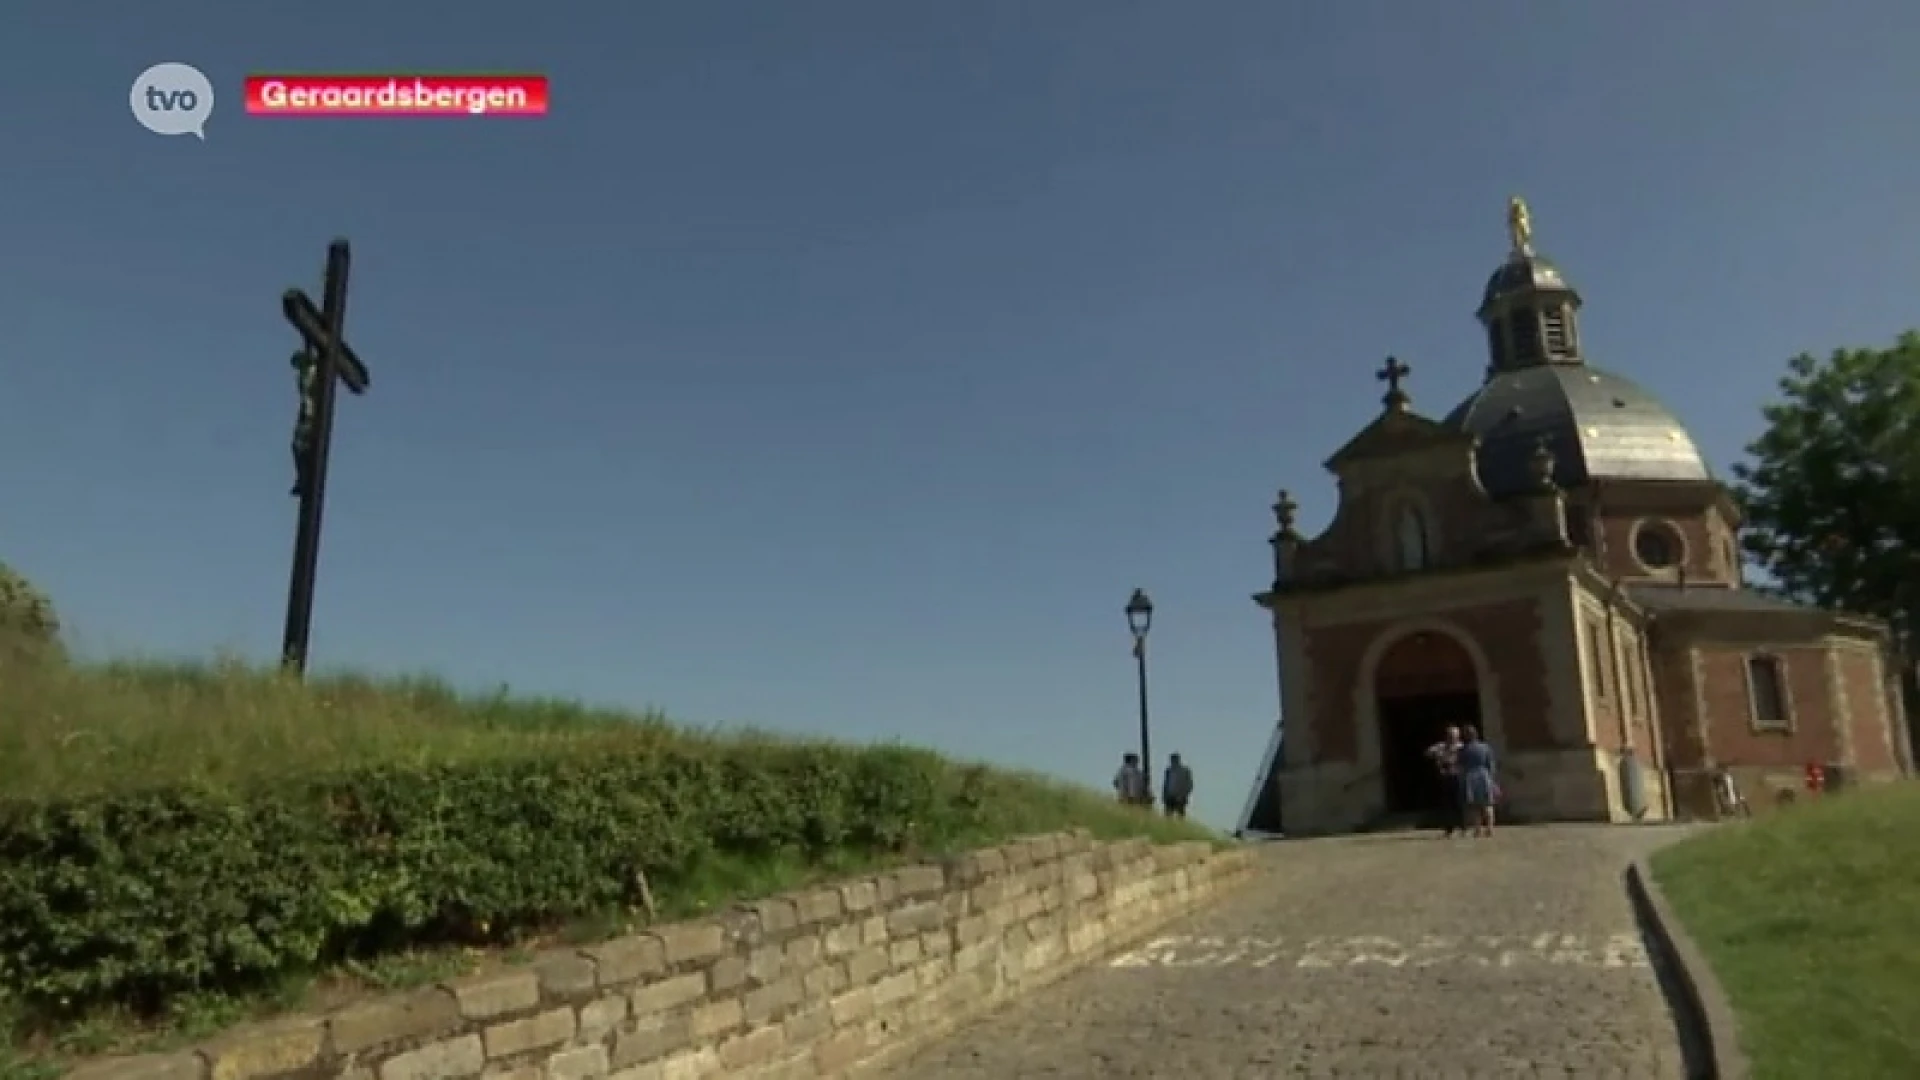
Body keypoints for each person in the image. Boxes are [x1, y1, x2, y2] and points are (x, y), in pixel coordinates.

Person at [1424, 725, 1465, 836]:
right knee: (1447, 804)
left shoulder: (1462, 746)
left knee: (1459, 803)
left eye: (1454, 735)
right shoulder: (1441, 746)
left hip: (1457, 776)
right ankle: (1449, 828)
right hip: (1445, 777)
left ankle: (1462, 827)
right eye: (1450, 735)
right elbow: (1428, 752)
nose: (1452, 738)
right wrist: (1438, 756)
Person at [1457, 725, 1498, 838]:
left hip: (1470, 777)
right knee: (1487, 804)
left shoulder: (1463, 750)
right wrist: (1491, 779)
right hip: (1484, 776)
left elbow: (1461, 767)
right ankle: (1490, 829)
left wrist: (1462, 780)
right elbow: (1491, 765)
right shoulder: (1485, 747)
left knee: (1475, 806)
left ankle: (1478, 829)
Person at [1162, 753, 1194, 818]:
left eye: (1174, 759)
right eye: (1172, 760)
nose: (1173, 761)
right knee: (1168, 816)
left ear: (1178, 760)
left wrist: (1183, 795)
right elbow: (1166, 783)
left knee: (1180, 816)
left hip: (1180, 797)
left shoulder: (1185, 770)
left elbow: (1189, 785)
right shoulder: (1168, 770)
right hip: (1169, 797)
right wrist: (1164, 795)